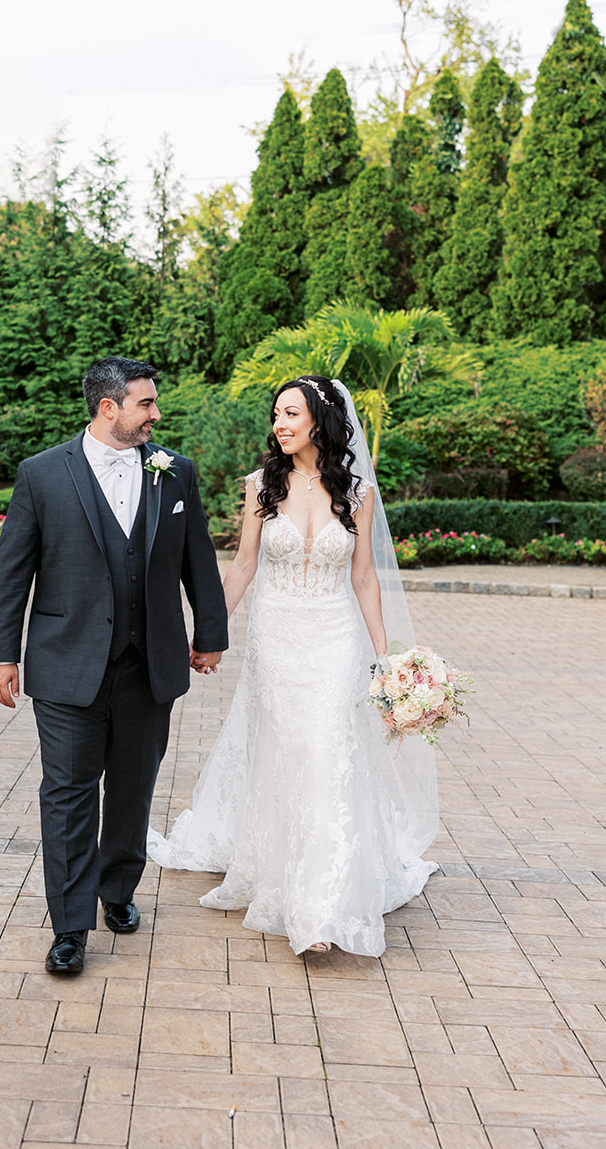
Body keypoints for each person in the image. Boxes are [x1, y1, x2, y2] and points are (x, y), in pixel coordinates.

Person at [148, 374, 438, 957]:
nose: (280, 425)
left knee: (328, 751)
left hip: (334, 638)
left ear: (320, 422)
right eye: (276, 414)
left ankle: (323, 908)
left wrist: (386, 660)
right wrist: (211, 631)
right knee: (287, 753)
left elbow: (363, 578)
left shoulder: (357, 493)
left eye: (291, 414)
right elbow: (244, 566)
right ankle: (285, 872)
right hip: (276, 638)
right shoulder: (262, 485)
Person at [0, 356, 229, 977]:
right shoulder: (41, 475)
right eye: (146, 404)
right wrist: (0, 654)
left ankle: (116, 890)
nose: (156, 414)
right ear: (108, 408)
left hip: (150, 665)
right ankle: (70, 926)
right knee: (66, 794)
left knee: (131, 788)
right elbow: (13, 570)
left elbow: (197, 557)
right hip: (66, 664)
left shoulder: (175, 472)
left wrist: (210, 634)